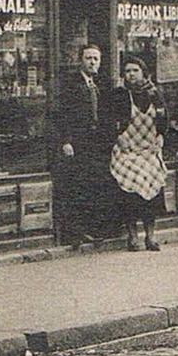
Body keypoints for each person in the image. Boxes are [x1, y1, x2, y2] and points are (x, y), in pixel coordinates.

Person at [106, 53, 169, 252]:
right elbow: (108, 121)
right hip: (126, 151)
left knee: (153, 179)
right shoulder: (119, 95)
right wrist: (118, 136)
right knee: (132, 184)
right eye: (127, 71)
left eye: (135, 71)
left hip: (148, 149)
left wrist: (160, 136)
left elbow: (164, 119)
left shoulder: (154, 94)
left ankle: (150, 236)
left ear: (143, 73)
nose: (131, 75)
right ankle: (132, 236)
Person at [55, 44, 114, 244]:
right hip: (77, 144)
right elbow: (63, 115)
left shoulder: (99, 84)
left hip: (95, 144)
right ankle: (75, 232)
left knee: (94, 185)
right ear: (80, 60)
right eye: (88, 58)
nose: (92, 62)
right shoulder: (72, 85)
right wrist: (66, 141)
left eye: (96, 59)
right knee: (77, 186)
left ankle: (93, 228)